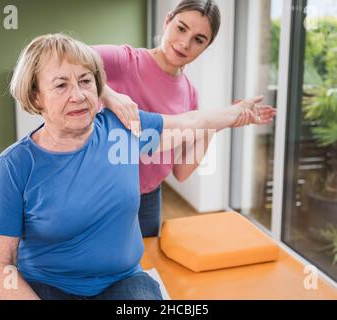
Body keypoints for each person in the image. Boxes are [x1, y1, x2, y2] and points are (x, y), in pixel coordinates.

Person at [0, 33, 275, 300]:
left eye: (86, 81)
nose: (78, 95)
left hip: (121, 283)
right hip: (47, 286)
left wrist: (238, 112)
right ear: (36, 96)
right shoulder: (15, 165)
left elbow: (191, 122)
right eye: (61, 85)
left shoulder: (122, 132)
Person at [92, 0, 248, 237]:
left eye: (199, 39)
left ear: (206, 46)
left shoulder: (190, 93)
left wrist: (216, 124)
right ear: (167, 21)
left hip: (149, 198)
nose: (185, 43)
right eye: (181, 28)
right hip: (104, 194)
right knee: (102, 268)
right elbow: (67, 58)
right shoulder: (125, 61)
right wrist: (110, 95)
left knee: (147, 266)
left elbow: (182, 171)